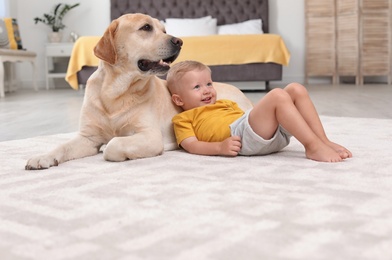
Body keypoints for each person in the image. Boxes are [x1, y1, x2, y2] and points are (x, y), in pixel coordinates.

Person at [166, 60, 352, 162]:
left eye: (208, 83)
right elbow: (191, 145)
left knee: (295, 88)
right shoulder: (183, 119)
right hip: (240, 138)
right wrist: (219, 147)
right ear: (178, 99)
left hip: (263, 134)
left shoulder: (225, 103)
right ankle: (313, 147)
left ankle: (323, 140)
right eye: (197, 87)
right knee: (278, 95)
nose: (207, 90)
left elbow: (251, 118)